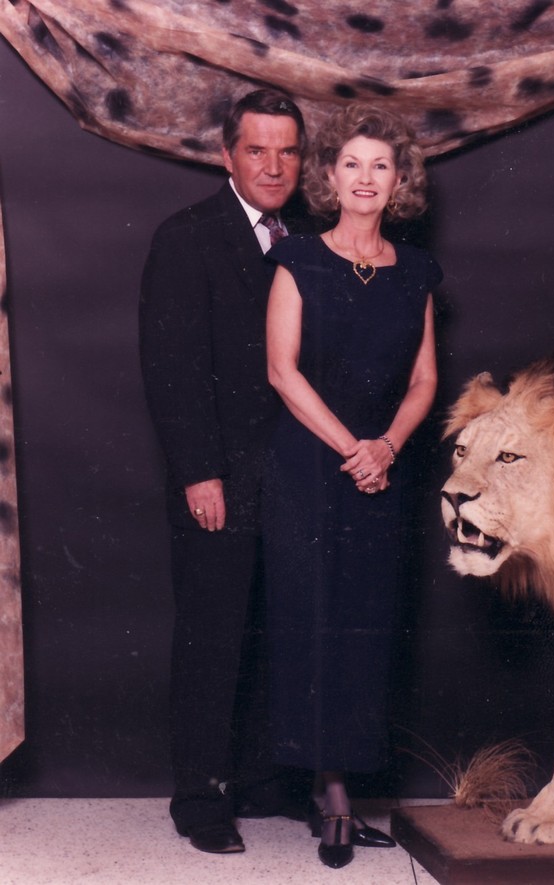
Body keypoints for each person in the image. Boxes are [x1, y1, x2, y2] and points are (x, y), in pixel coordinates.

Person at [263, 104, 442, 869]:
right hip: (311, 468)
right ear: (329, 176)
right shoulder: (298, 259)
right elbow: (281, 371)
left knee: (364, 625)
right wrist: (353, 450)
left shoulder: (418, 272)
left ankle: (337, 780)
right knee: (314, 620)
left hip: (382, 471)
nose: (365, 178)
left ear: (398, 181)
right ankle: (330, 792)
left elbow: (425, 378)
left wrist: (387, 447)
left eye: (381, 165)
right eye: (352, 164)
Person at [139, 89, 308, 855]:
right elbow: (171, 368)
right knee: (213, 636)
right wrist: (199, 473)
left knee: (279, 630)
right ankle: (200, 795)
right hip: (220, 476)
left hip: (297, 476)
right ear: (226, 155)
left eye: (288, 151)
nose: (273, 166)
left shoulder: (310, 237)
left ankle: (265, 779)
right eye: (257, 150)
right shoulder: (187, 237)